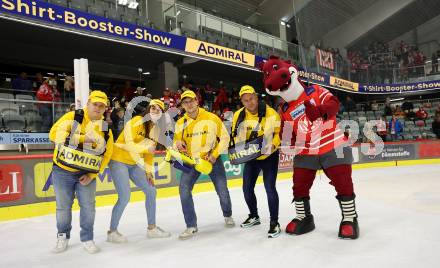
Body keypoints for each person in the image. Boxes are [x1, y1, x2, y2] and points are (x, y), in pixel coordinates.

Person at [49, 90, 114, 254]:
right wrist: (83, 138)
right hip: (62, 170)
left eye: (102, 106)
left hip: (86, 174)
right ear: (88, 104)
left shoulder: (105, 129)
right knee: (63, 207)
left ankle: (87, 238)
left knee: (88, 207)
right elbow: (53, 134)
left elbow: (107, 154)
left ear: (105, 108)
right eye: (95, 104)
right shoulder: (73, 117)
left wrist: (92, 175)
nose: (98, 108)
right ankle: (62, 236)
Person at [107, 99, 171, 243]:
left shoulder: (155, 129)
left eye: (158, 109)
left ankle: (152, 228)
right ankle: (112, 231)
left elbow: (149, 154)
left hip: (135, 163)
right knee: (124, 196)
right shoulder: (136, 121)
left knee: (151, 191)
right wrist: (145, 148)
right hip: (118, 160)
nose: (155, 111)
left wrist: (149, 172)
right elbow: (128, 144)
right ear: (148, 110)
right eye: (153, 108)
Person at [173, 90, 234, 239]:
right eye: (185, 102)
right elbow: (176, 143)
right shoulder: (181, 123)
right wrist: (177, 143)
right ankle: (191, 225)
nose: (189, 104)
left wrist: (214, 155)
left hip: (211, 159)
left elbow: (225, 138)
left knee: (222, 190)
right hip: (191, 161)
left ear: (197, 101)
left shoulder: (212, 117)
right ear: (182, 105)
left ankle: (227, 215)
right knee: (184, 190)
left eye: (191, 101)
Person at [231, 85, 281, 238]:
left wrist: (272, 145)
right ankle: (254, 216)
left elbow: (278, 134)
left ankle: (274, 222)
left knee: (270, 188)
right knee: (246, 189)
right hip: (251, 157)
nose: (250, 102)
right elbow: (235, 135)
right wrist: (239, 146)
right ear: (242, 102)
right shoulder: (238, 115)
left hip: (269, 156)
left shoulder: (270, 113)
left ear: (256, 97)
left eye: (251, 98)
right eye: (246, 100)